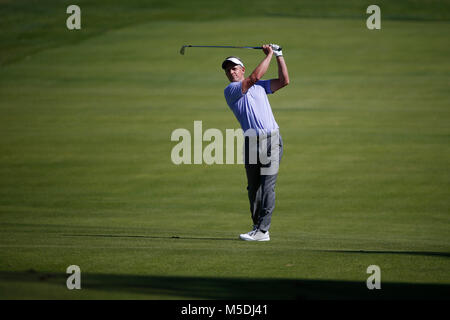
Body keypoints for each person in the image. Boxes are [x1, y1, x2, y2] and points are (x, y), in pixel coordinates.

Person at [222, 44, 289, 241]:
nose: (231, 72)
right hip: (251, 142)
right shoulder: (231, 90)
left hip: (272, 140)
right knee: (253, 188)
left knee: (267, 186)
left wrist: (279, 55)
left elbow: (284, 81)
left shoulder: (260, 87)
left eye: (234, 68)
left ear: (242, 69)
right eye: (228, 70)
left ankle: (262, 230)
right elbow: (254, 78)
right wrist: (269, 54)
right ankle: (257, 227)